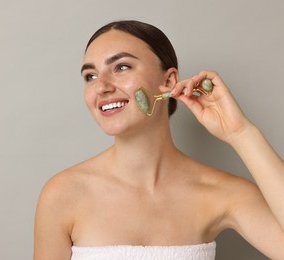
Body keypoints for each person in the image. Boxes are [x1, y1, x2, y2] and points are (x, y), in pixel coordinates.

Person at [33, 20, 284, 259]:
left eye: (121, 67)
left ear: (169, 81)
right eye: (90, 76)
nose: (101, 87)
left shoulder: (222, 193)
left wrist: (240, 133)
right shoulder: (63, 194)